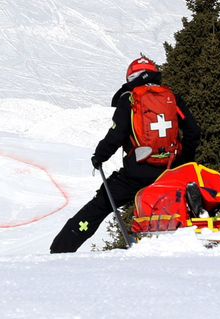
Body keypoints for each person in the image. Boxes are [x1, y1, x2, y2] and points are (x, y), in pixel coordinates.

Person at [50, 56, 202, 253]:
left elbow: (116, 134)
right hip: (170, 172)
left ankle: (61, 249)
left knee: (101, 205)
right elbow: (193, 131)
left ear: (131, 77)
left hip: (135, 174)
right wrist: (183, 163)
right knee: (178, 209)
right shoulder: (172, 98)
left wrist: (100, 156)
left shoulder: (129, 98)